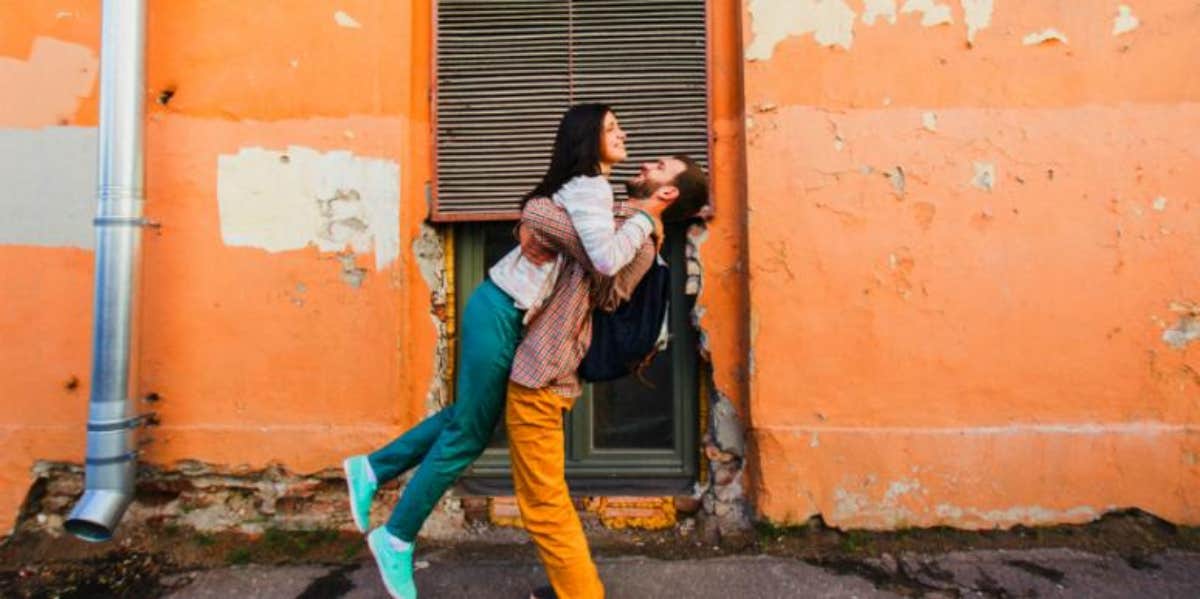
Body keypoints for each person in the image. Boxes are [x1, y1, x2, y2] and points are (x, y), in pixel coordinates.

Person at [342, 103, 672, 599]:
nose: (624, 134)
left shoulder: (599, 198)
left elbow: (574, 247)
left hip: (506, 311)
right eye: (611, 128)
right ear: (587, 139)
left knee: (466, 418)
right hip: (500, 309)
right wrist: (641, 219)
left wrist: (547, 221)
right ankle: (396, 536)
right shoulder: (594, 189)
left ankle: (373, 471)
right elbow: (600, 256)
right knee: (468, 435)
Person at [507, 154, 710, 599]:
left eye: (658, 166)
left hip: (543, 369)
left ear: (668, 192)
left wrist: (533, 218)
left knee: (544, 503)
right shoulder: (639, 232)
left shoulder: (628, 231)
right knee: (475, 439)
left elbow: (542, 214)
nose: (643, 164)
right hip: (551, 365)